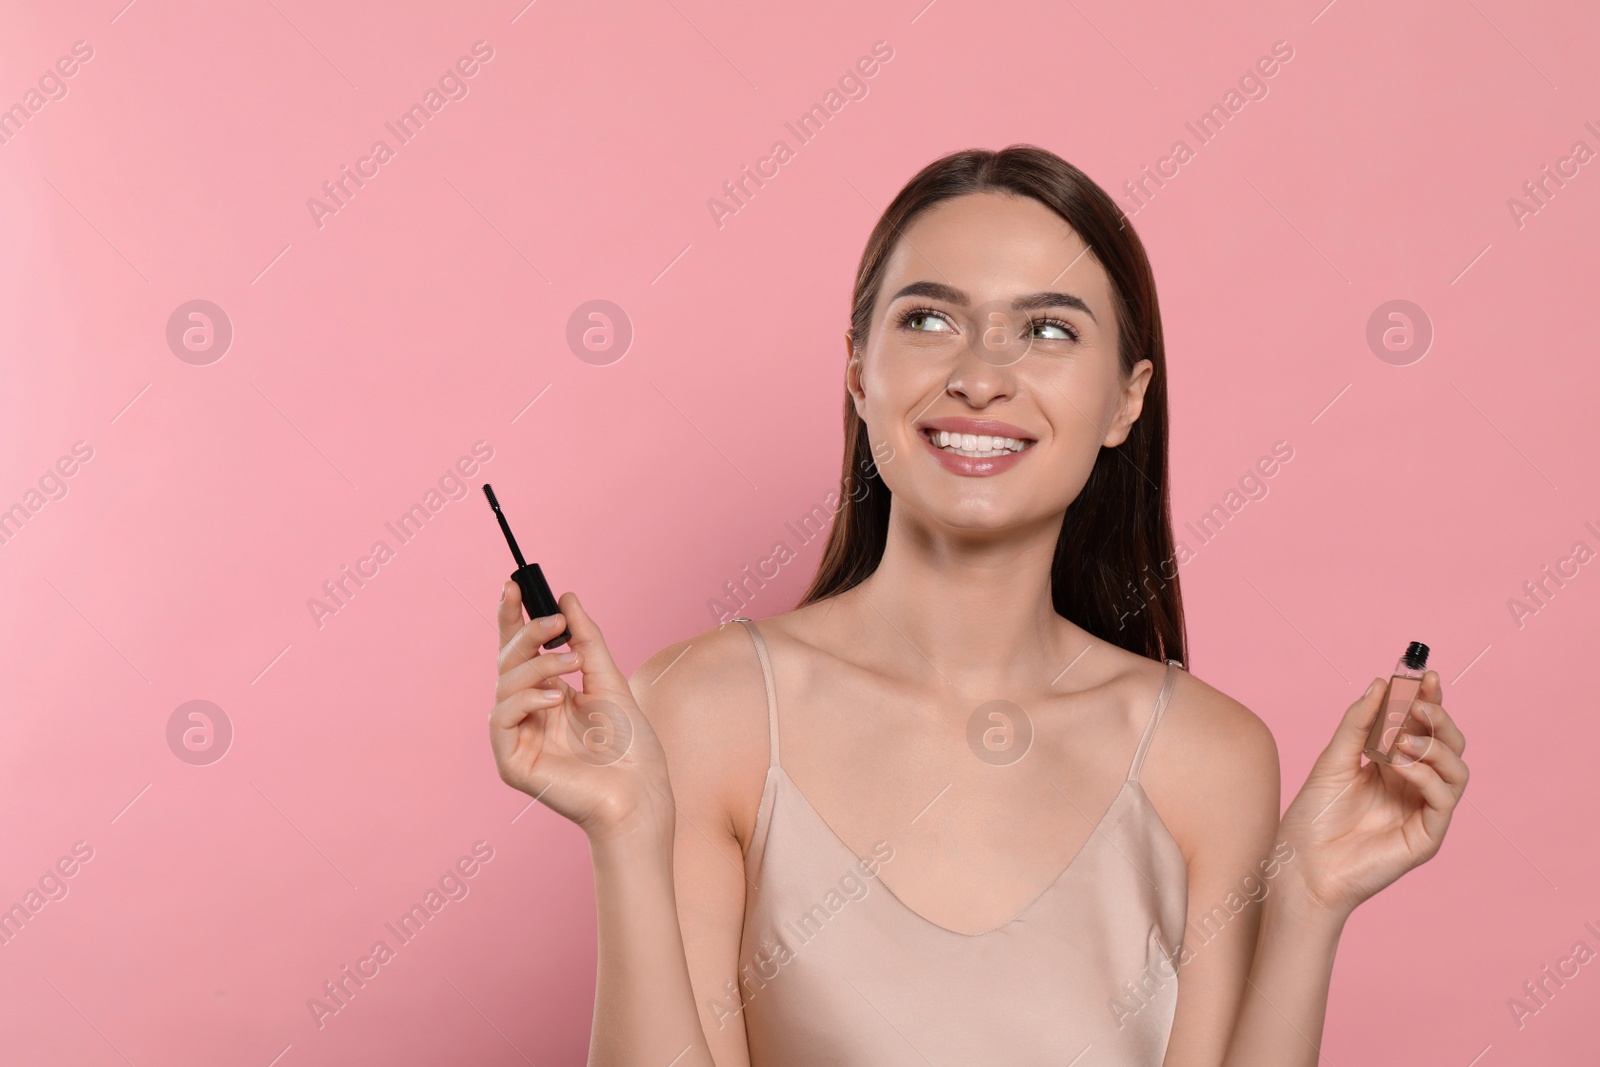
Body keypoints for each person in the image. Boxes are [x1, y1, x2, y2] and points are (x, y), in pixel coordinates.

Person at [487, 145, 1469, 1067]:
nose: (980, 376)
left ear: (1126, 400)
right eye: (927, 319)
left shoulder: (1209, 758)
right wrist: (622, 829)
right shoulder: (710, 709)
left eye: (1046, 329)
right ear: (858, 369)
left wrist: (1305, 899)